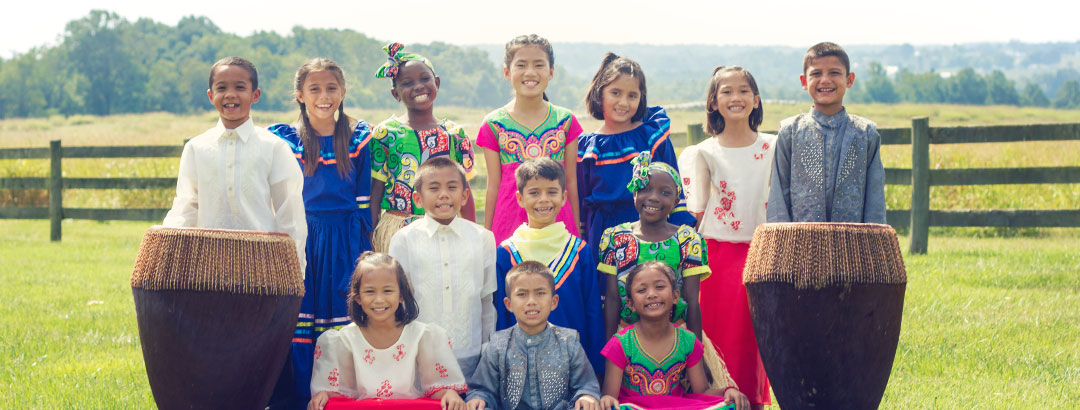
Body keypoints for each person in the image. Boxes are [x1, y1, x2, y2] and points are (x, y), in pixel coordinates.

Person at [268, 58, 375, 409]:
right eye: (314, 89)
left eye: (331, 88)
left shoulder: (358, 139)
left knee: (344, 313)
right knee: (303, 316)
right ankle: (300, 397)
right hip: (303, 237)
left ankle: (344, 395)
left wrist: (365, 248)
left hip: (346, 237)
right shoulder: (285, 140)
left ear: (343, 92)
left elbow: (363, 201)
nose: (324, 96)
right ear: (300, 94)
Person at [163, 56, 306, 271]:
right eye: (221, 88)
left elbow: (290, 213)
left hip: (261, 263)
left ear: (255, 95)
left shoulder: (273, 147)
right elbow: (186, 205)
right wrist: (168, 253)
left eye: (240, 87)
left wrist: (294, 268)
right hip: (207, 263)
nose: (230, 94)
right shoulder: (196, 147)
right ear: (211, 96)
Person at [687, 66, 775, 409]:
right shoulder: (703, 152)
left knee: (752, 334)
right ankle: (714, 399)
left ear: (756, 100)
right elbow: (697, 211)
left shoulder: (774, 146)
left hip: (763, 248)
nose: (735, 97)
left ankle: (752, 401)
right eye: (726, 91)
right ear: (713, 102)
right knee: (717, 330)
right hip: (716, 254)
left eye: (743, 90)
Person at [308, 252, 467, 410]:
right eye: (370, 291)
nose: (379, 300)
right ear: (358, 298)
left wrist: (449, 393)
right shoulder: (344, 339)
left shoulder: (422, 336)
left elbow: (438, 390)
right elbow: (339, 395)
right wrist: (325, 395)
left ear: (401, 295)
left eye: (387, 291)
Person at [577, 53, 696, 258]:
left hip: (652, 228)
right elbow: (580, 199)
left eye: (632, 95)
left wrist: (680, 231)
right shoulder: (586, 148)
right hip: (602, 235)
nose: (623, 102)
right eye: (615, 93)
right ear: (599, 93)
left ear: (641, 98)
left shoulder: (652, 137)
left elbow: (674, 186)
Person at [492, 158, 605, 373]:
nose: (543, 199)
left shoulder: (579, 251)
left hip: (573, 367)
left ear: (563, 197)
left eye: (552, 192)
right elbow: (501, 315)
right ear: (520, 198)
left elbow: (593, 314)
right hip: (520, 368)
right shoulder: (506, 252)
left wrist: (595, 370)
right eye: (534, 192)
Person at [387, 157, 496, 378]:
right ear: (418, 198)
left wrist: (487, 347)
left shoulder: (482, 238)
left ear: (464, 195)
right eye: (434, 188)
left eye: (452, 187)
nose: (444, 195)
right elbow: (398, 302)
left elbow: (486, 299)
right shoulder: (404, 239)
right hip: (420, 357)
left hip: (472, 356)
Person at [369, 43, 477, 252]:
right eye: (407, 83)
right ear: (395, 93)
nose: (418, 86)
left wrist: (472, 234)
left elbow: (466, 190)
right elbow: (376, 191)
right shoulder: (386, 133)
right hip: (397, 230)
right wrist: (370, 239)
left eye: (425, 79)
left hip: (445, 228)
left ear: (437, 83)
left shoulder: (454, 134)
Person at [598, 262, 748, 410]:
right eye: (642, 290)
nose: (652, 294)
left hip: (677, 406)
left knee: (732, 405)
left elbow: (702, 392)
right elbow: (609, 397)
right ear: (631, 304)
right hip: (635, 407)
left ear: (675, 296)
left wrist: (727, 391)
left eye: (659, 287)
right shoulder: (621, 343)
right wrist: (607, 400)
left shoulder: (687, 340)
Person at [477, 34, 582, 244]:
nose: (530, 72)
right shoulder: (493, 125)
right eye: (521, 65)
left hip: (558, 225)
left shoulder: (566, 121)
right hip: (509, 227)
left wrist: (576, 231)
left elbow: (571, 181)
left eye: (539, 65)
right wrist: (488, 236)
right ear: (507, 72)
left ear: (551, 72)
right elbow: (494, 186)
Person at [767, 41, 886, 224]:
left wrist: (875, 236)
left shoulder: (866, 134)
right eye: (816, 74)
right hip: (800, 238)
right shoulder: (790, 132)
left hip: (853, 238)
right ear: (804, 82)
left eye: (834, 73)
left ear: (849, 80)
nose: (825, 80)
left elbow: (875, 199)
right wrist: (780, 237)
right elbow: (778, 196)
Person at [466, 261, 602, 410]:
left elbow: (586, 385)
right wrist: (479, 399)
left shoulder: (569, 342)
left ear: (554, 301)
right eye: (522, 294)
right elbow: (482, 389)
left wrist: (586, 396)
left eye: (540, 293)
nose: (531, 301)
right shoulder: (498, 345)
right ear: (509, 304)